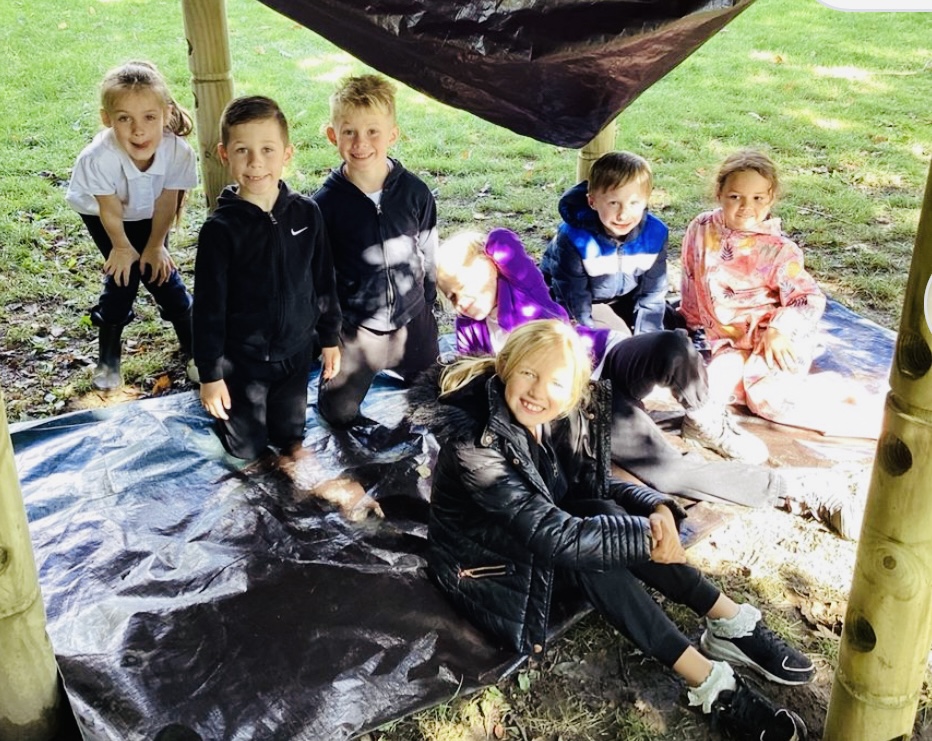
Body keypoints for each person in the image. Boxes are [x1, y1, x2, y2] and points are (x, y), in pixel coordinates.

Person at [421, 319, 811, 740]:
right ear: (506, 367)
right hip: (483, 564)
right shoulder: (476, 443)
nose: (537, 392)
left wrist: (657, 507)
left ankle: (728, 621)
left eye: (555, 382)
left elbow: (595, 486)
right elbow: (555, 538)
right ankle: (710, 683)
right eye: (528, 373)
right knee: (588, 554)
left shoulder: (565, 412)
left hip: (540, 531)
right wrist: (646, 539)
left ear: (573, 389)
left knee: (601, 513)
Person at [434, 227, 862, 538]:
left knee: (672, 347)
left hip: (601, 355)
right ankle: (797, 490)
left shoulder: (520, 287)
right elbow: (477, 384)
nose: (462, 301)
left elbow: (503, 239)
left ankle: (703, 416)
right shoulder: (469, 332)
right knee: (668, 472)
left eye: (465, 287)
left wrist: (474, 251)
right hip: (581, 404)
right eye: (450, 296)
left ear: (491, 269)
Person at [679, 149, 880, 440]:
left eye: (758, 198)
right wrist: (689, 322)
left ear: (771, 199)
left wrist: (778, 329)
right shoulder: (701, 228)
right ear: (719, 193)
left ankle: (871, 421)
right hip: (729, 342)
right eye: (736, 196)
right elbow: (689, 273)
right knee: (710, 395)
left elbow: (808, 298)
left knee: (767, 400)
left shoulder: (779, 250)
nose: (746, 207)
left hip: (775, 338)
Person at [193, 95, 342, 462]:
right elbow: (208, 309)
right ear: (224, 154)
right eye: (242, 150)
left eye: (267, 150)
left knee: (290, 436)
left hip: (294, 355)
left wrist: (329, 338)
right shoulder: (220, 230)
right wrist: (210, 375)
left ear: (286, 154)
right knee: (247, 449)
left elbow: (323, 279)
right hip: (243, 361)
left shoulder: (307, 213)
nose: (256, 162)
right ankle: (229, 407)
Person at [313, 73, 439, 428]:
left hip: (412, 322)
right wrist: (329, 332)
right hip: (357, 329)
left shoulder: (414, 192)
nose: (360, 142)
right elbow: (320, 275)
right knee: (338, 413)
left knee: (436, 404)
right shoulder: (324, 205)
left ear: (392, 135)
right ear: (332, 135)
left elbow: (429, 249)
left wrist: (426, 301)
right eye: (349, 131)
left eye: (373, 131)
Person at [66, 60, 198, 391]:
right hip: (104, 214)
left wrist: (155, 246)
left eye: (149, 117)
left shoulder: (178, 152)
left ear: (166, 114)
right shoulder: (97, 158)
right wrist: (123, 248)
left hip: (151, 209)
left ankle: (196, 346)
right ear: (106, 119)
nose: (138, 130)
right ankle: (108, 357)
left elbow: (168, 201)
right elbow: (109, 209)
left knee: (162, 274)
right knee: (124, 278)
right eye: (124, 118)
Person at [541, 151, 671, 335]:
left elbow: (651, 293)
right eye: (613, 203)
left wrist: (647, 341)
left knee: (666, 327)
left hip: (622, 297)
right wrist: (588, 338)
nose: (623, 214)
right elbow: (573, 298)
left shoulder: (655, 235)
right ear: (592, 201)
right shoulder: (573, 239)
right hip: (575, 301)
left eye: (634, 203)